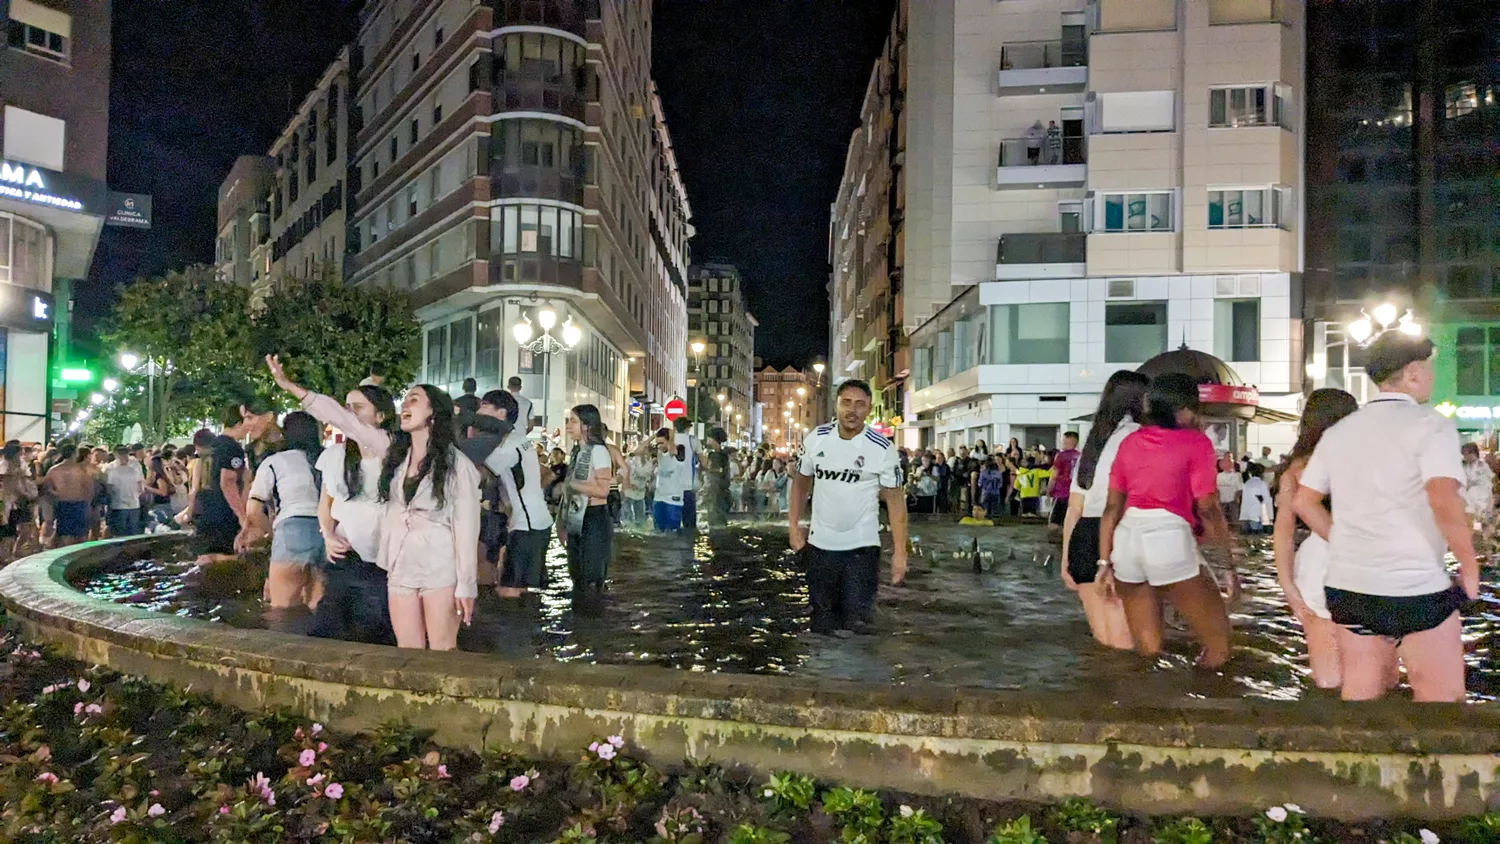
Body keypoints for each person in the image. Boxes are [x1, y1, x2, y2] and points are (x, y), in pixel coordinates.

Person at [1292, 334, 1479, 702]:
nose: (1431, 376)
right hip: (1416, 588)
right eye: (1428, 367)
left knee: (1362, 696)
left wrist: (1345, 542)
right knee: (1442, 703)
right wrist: (1470, 569)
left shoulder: (1340, 432)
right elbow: (1443, 497)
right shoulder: (1431, 426)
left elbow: (1304, 502)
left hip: (1350, 586)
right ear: (1411, 373)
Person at [270, 355, 481, 651]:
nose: (405, 405)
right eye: (405, 400)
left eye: (415, 400)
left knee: (443, 651)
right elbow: (344, 420)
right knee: (406, 650)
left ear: (435, 413)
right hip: (399, 567)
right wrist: (292, 388)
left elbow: (467, 527)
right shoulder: (395, 453)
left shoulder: (457, 467)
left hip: (440, 568)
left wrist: (466, 585)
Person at [1098, 373, 1238, 668]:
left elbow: (1111, 508)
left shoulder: (1129, 442)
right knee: (1218, 648)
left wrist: (1103, 563)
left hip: (1125, 542)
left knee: (1148, 654)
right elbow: (1209, 509)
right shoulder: (1196, 443)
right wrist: (1227, 565)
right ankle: (1205, 708)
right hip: (1169, 537)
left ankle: (1146, 708)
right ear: (1185, 407)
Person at [789, 379, 909, 636]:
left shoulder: (882, 448)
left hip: (861, 549)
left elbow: (896, 502)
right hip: (820, 548)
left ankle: (853, 675)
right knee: (821, 622)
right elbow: (800, 485)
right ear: (836, 405)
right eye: (846, 402)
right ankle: (822, 675)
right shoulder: (817, 439)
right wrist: (793, 528)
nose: (852, 410)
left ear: (868, 409)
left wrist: (900, 553)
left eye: (860, 404)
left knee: (857, 624)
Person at [1272, 387, 1358, 691]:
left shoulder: (1295, 470)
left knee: (1329, 679)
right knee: (1370, 671)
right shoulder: (1364, 461)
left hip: (1316, 563)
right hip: (1363, 558)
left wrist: (1287, 586)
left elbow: (1283, 532)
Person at [1061, 370, 1146, 652]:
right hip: (1118, 535)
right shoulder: (1140, 437)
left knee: (1103, 641)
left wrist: (1065, 561)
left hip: (1083, 537)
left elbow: (1075, 507)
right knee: (1126, 644)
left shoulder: (1093, 442)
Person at [309, 383, 397, 646]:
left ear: (381, 416)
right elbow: (326, 505)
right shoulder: (335, 455)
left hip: (386, 559)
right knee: (330, 626)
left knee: (378, 629)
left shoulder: (396, 456)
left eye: (357, 408)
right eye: (345, 408)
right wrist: (328, 536)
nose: (348, 414)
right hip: (346, 555)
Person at [239, 411, 326, 609]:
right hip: (328, 535)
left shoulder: (275, 462)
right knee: (317, 607)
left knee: (282, 610)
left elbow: (253, 510)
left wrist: (270, 531)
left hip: (291, 532)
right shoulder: (328, 459)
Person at [475, 390, 554, 599]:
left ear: (501, 413)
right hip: (536, 523)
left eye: (484, 406)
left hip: (526, 527)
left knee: (509, 592)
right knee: (521, 593)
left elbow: (479, 478)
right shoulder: (520, 439)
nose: (478, 412)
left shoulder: (507, 446)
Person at [193, 405, 267, 565]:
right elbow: (227, 482)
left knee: (206, 562)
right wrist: (242, 516)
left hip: (206, 513)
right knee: (229, 560)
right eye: (247, 419)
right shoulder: (232, 448)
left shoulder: (211, 446)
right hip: (224, 515)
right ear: (238, 423)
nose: (249, 426)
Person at [562, 405, 616, 610]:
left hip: (594, 517)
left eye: (573, 421)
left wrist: (573, 485)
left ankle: (591, 621)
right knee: (577, 572)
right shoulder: (579, 452)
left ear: (587, 426)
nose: (568, 426)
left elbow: (603, 490)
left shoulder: (599, 451)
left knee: (590, 573)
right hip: (578, 516)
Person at [43, 444, 94, 548]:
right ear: (75, 454)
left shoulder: (53, 470)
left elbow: (47, 488)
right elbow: (89, 488)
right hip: (79, 503)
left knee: (65, 535)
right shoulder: (82, 470)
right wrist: (89, 504)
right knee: (81, 535)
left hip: (63, 503)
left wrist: (58, 494)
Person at [102, 445, 145, 538]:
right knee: (120, 532)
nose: (124, 457)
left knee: (134, 531)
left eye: (125, 454)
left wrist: (139, 493)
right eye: (121, 454)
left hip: (134, 503)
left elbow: (140, 482)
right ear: (116, 455)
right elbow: (109, 487)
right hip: (118, 504)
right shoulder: (110, 468)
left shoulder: (136, 465)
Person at [652, 426, 689, 533]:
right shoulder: (658, 453)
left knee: (673, 532)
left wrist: (671, 439)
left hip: (673, 499)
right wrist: (652, 437)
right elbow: (638, 450)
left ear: (669, 441)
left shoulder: (680, 449)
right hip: (659, 497)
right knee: (658, 531)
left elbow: (673, 451)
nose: (659, 446)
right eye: (658, 443)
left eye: (662, 443)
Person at [1047, 432, 1080, 536]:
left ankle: (1055, 547)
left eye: (1064, 440)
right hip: (1075, 494)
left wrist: (1048, 490)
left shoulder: (1061, 455)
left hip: (1061, 493)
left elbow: (1054, 474)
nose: (1063, 442)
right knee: (1070, 523)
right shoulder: (1080, 456)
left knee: (1053, 524)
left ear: (1070, 440)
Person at [1460, 443, 1495, 524]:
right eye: (1464, 454)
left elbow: (1490, 480)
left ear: (1473, 453)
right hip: (1470, 496)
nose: (1465, 456)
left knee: (1481, 519)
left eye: (1466, 454)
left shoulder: (1482, 466)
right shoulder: (1466, 467)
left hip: (1482, 496)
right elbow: (1466, 482)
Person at [624, 442, 654, 528]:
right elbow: (623, 474)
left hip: (640, 495)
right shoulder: (630, 460)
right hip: (628, 495)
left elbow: (646, 475)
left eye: (646, 449)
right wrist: (628, 484)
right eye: (643, 449)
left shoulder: (649, 464)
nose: (644, 452)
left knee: (640, 523)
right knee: (628, 522)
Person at [1239, 469, 1272, 534]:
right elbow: (1266, 499)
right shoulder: (1262, 484)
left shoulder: (1247, 483)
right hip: (1257, 514)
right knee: (1257, 535)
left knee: (1246, 535)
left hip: (1245, 513)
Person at [1215, 455, 1244, 526]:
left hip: (1233, 501)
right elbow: (1217, 489)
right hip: (1222, 501)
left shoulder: (1237, 475)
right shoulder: (1218, 475)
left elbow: (1240, 489)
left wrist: (1235, 499)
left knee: (1234, 519)